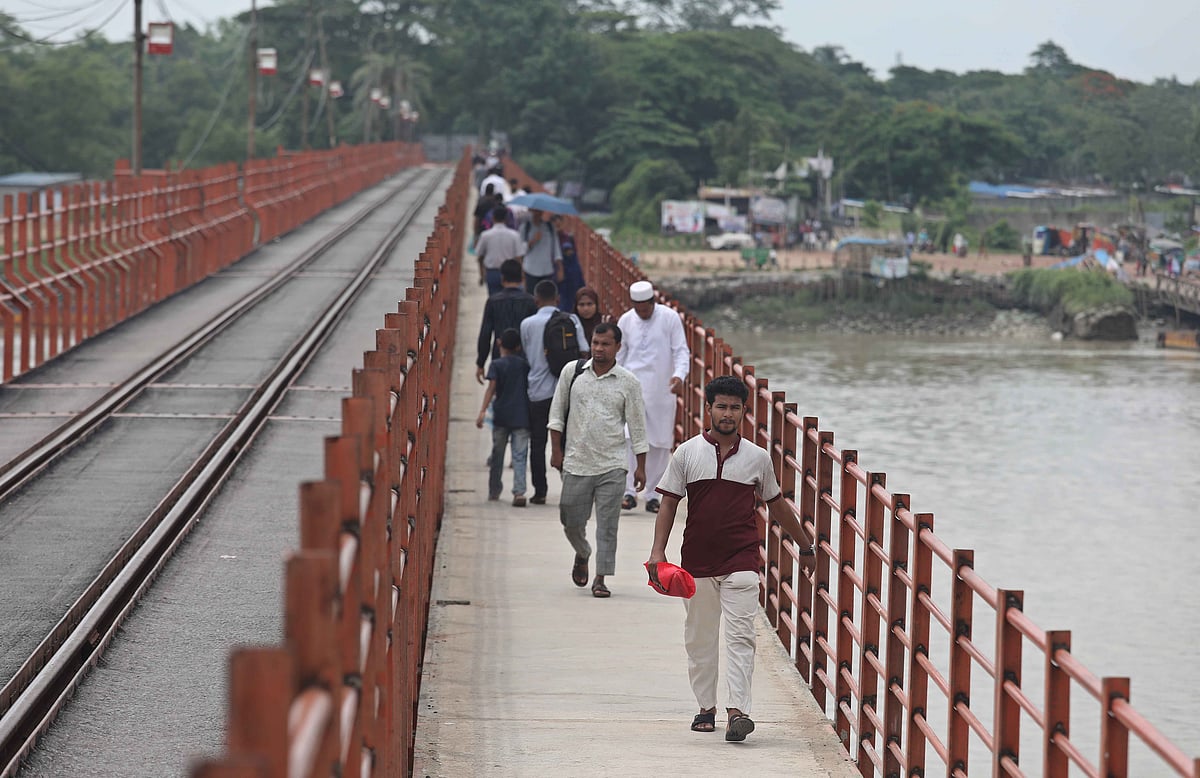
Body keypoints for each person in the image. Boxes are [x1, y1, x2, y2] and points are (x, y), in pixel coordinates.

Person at [646, 375, 806, 742]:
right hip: (697, 562)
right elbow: (669, 501)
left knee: (740, 637)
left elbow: (776, 504)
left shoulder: (757, 458)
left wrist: (805, 546)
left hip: (742, 560)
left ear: (744, 412)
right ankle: (706, 707)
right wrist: (658, 552)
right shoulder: (687, 453)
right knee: (700, 639)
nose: (728, 414)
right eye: (722, 406)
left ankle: (738, 711)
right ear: (709, 409)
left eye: (735, 407)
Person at [548, 322, 648, 598]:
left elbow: (637, 427)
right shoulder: (573, 372)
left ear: (618, 347)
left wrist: (641, 466)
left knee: (608, 524)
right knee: (569, 519)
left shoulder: (628, 382)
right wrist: (556, 451)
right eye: (595, 343)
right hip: (576, 461)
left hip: (613, 464)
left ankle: (601, 578)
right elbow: (557, 414)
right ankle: (583, 552)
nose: (599, 349)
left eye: (605, 344)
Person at [616, 280, 689, 513]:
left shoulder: (670, 318)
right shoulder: (626, 320)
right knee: (628, 438)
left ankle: (653, 494)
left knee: (660, 441)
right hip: (631, 387)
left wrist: (679, 375)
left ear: (652, 302)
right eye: (637, 307)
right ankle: (628, 492)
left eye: (645, 307)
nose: (641, 312)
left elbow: (681, 351)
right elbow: (620, 353)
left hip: (661, 388)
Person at [521, 280, 588, 505]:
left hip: (538, 391)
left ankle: (540, 491)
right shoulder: (571, 319)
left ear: (536, 300)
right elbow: (584, 352)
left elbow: (527, 356)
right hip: (566, 390)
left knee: (538, 443)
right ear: (558, 300)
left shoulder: (527, 324)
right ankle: (570, 490)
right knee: (569, 442)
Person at [475, 328, 531, 506]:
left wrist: (482, 411)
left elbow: (491, 388)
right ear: (518, 347)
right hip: (522, 415)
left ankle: (494, 490)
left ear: (499, 344)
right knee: (520, 455)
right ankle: (519, 492)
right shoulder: (524, 364)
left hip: (501, 416)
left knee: (497, 454)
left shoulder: (497, 365)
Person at [476, 259, 537, 385]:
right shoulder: (531, 301)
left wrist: (480, 363)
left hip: (500, 356)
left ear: (502, 279)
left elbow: (485, 334)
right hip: (525, 357)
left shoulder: (493, 301)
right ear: (522, 277)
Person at [475, 206, 524, 296]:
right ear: (506, 218)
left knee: (494, 300)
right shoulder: (515, 235)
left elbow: (480, 257)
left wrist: (482, 275)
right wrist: (521, 276)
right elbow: (519, 258)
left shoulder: (485, 235)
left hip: (492, 273)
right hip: (511, 273)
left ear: (493, 218)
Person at [522, 210, 564, 294]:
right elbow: (520, 250)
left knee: (547, 296)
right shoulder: (525, 227)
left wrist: (560, 268)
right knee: (531, 297)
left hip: (547, 269)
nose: (537, 213)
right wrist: (533, 241)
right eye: (535, 211)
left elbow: (556, 248)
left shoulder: (550, 227)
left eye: (539, 211)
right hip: (530, 269)